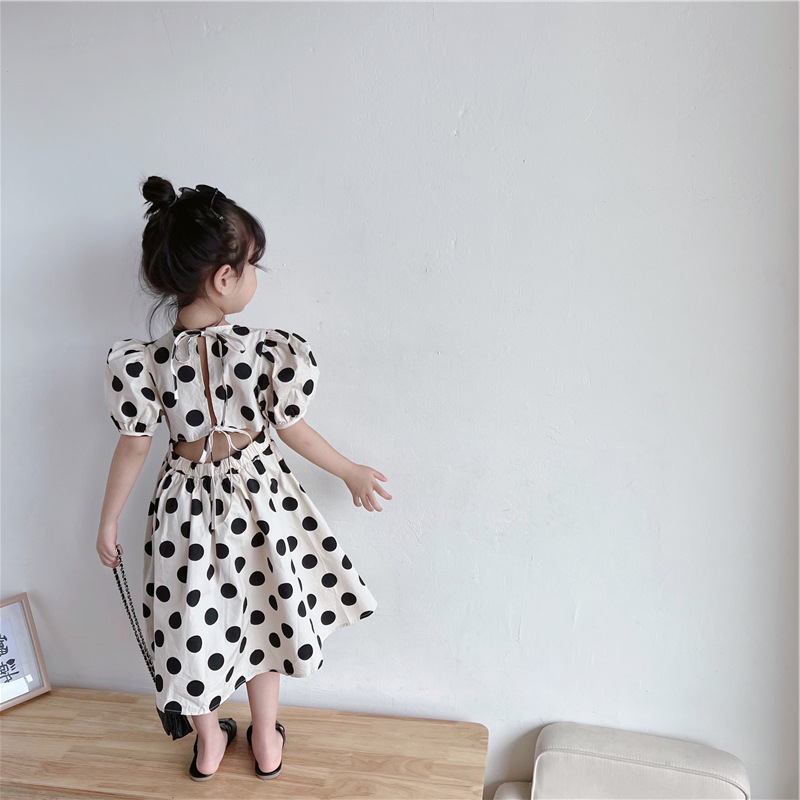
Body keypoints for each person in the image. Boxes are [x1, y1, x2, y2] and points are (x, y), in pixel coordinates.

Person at [96, 177, 391, 781]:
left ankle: (208, 745)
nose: (256, 275)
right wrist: (350, 471)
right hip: (256, 499)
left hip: (182, 508)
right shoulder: (263, 351)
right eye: (252, 264)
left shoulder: (145, 361)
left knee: (190, 622)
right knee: (265, 612)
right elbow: (293, 429)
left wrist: (107, 521)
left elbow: (134, 446)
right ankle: (265, 739)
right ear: (224, 278)